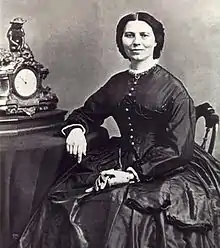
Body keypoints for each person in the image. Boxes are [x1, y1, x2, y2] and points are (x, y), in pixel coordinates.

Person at [19, 12, 220, 248]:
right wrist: (76, 130)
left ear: (156, 41)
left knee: (128, 212)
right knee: (78, 201)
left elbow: (177, 148)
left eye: (144, 35)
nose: (136, 42)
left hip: (167, 166)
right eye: (129, 35)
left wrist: (131, 173)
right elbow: (86, 113)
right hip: (119, 155)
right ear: (121, 40)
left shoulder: (174, 89)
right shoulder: (117, 83)